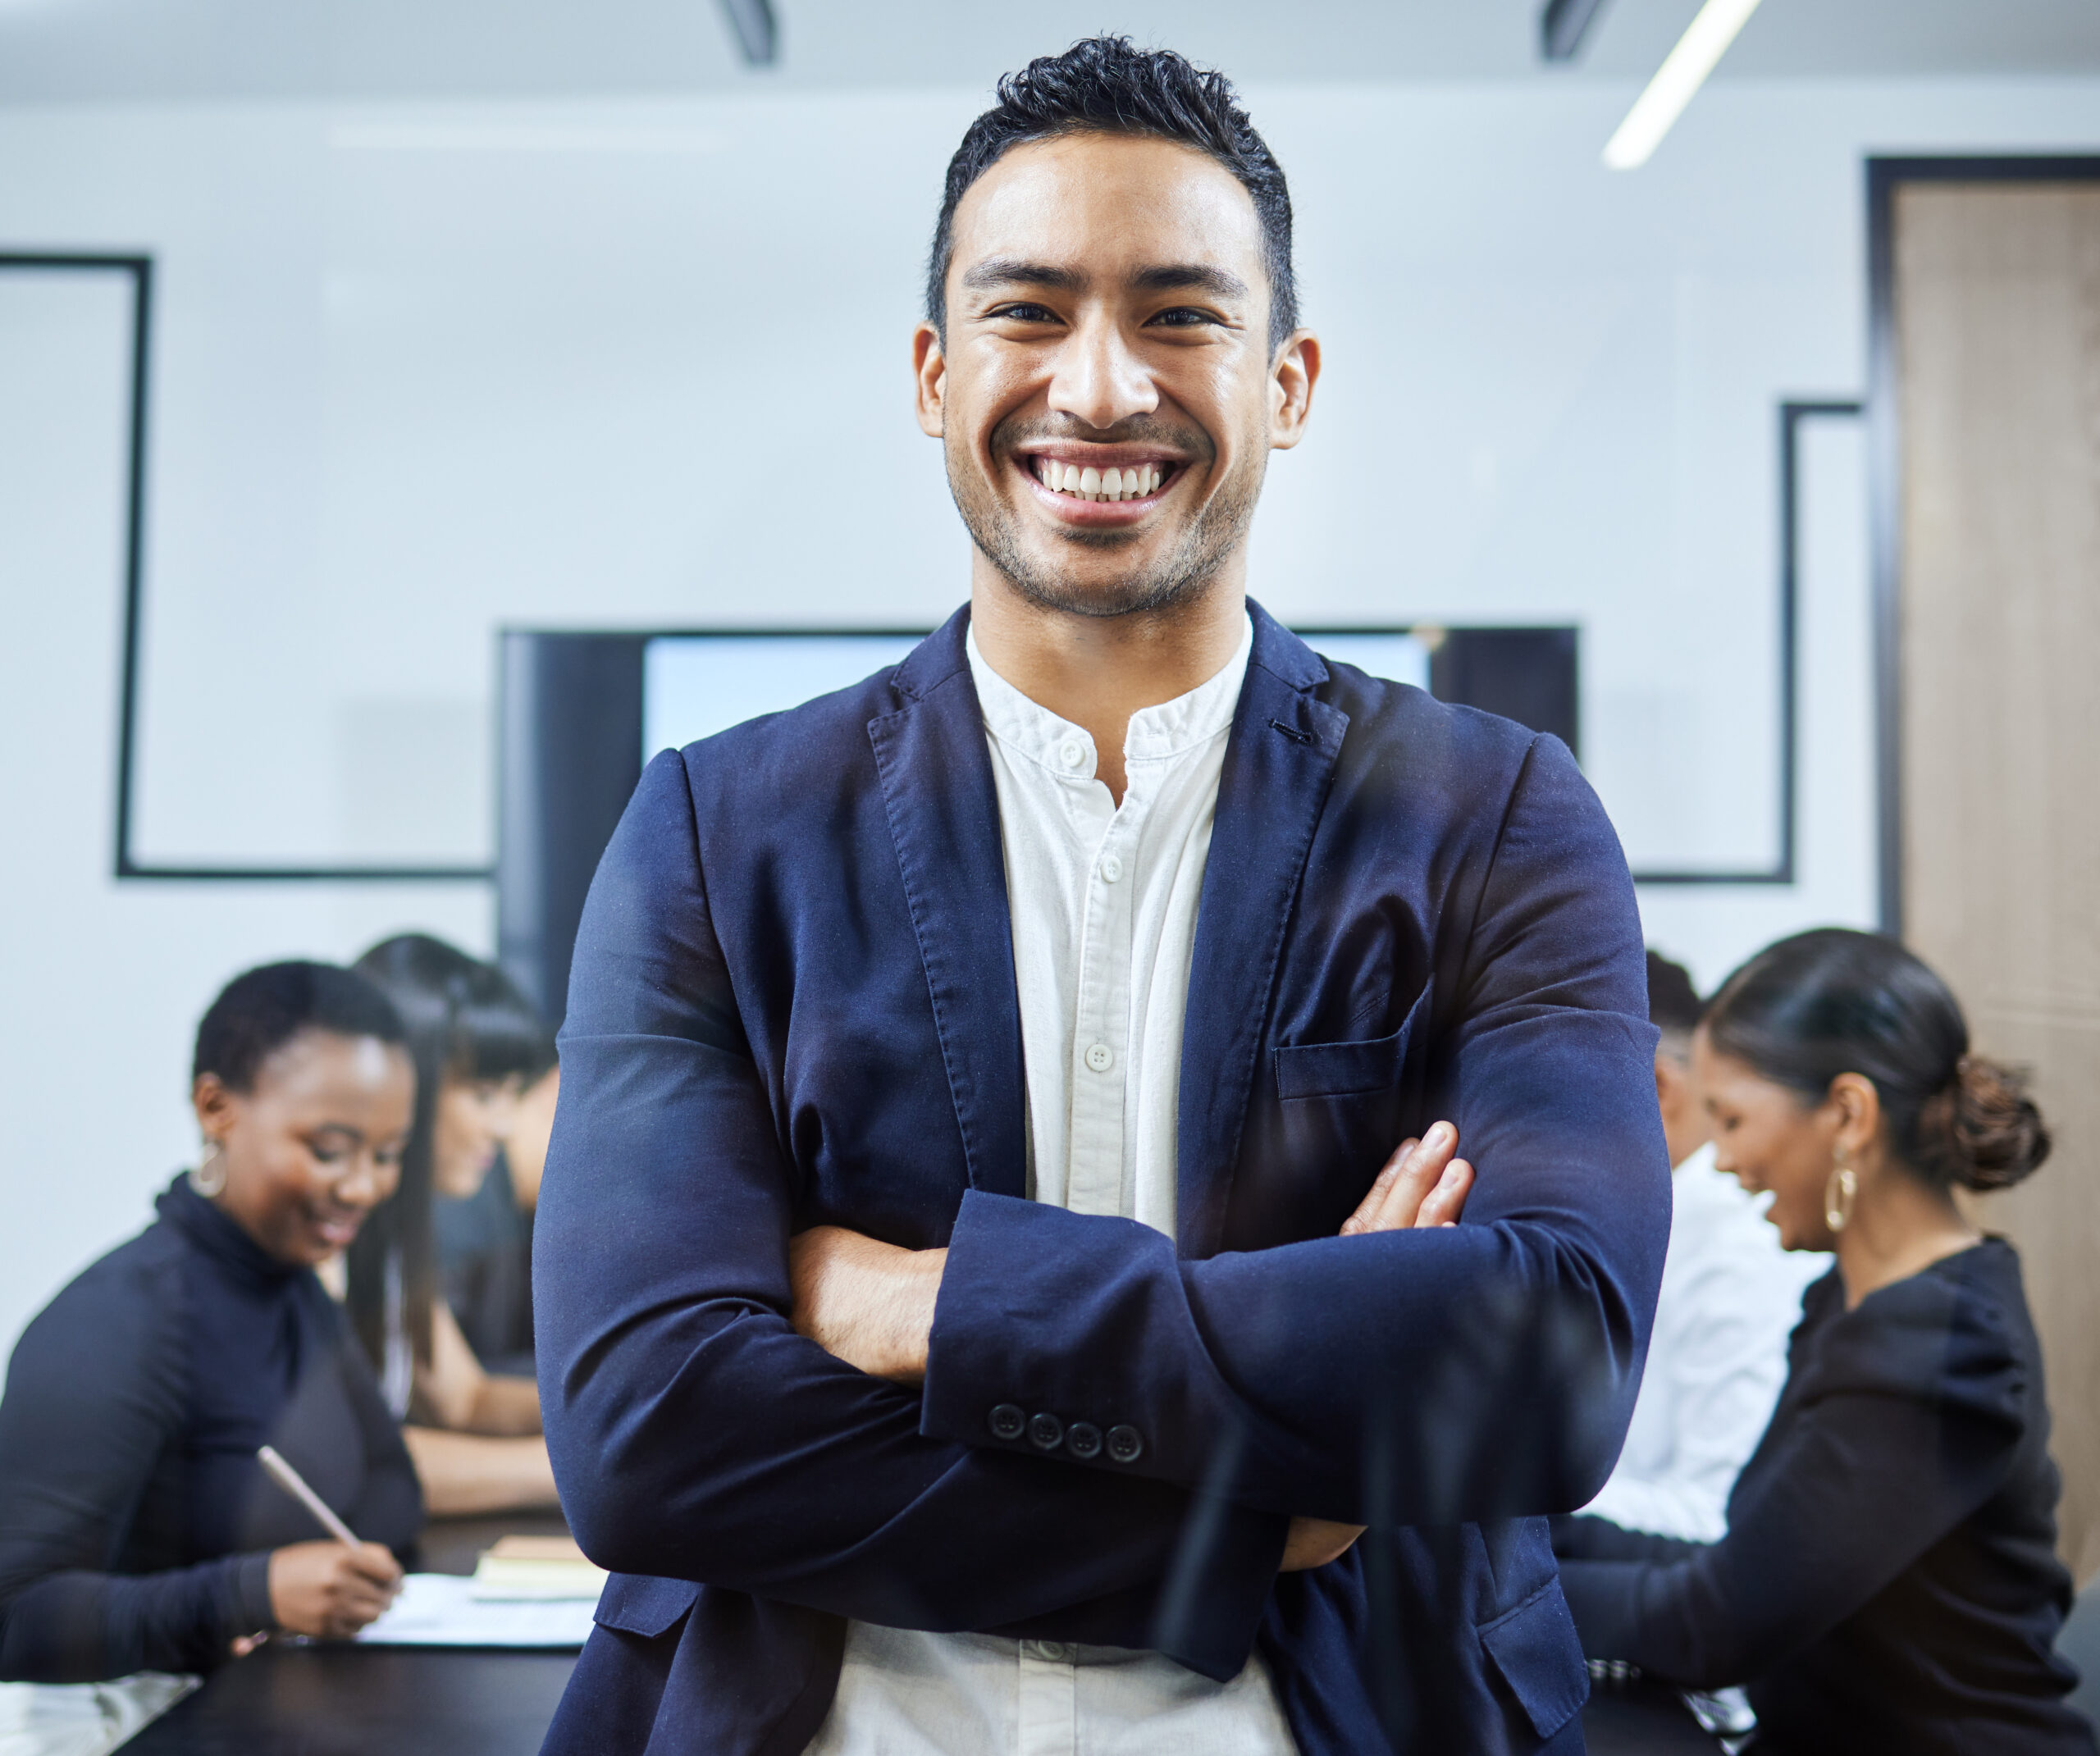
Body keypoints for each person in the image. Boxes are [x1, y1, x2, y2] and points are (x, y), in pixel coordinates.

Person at [536, 37, 1669, 1756]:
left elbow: (1546, 1357)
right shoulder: (717, 825)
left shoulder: (1486, 814)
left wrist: (930, 1303)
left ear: (1285, 382)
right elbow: (649, 1428)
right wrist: (1247, 1506)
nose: (1097, 388)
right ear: (932, 373)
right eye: (1027, 310)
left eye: (1179, 315)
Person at [1557, 928, 2093, 1754]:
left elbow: (1722, 1621)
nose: (1724, 1159)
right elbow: (1743, 1555)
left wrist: (1494, 1584)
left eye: (1733, 1119)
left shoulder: (1943, 1348)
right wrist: (1516, 1525)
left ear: (1847, 1113)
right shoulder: (1849, 1297)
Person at [0, 962, 418, 1681]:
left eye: (386, 1155)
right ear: (216, 1107)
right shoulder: (121, 1320)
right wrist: (248, 1593)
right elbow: (15, 1617)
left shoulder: (291, 1285)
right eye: (328, 1149)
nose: (362, 1186)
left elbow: (393, 1488)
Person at [1572, 951, 1825, 1542]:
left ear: (1658, 1085)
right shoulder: (1643, 1219)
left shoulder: (1744, 1244)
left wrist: (1502, 1496)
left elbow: (1717, 1518)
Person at [348, 934, 559, 1516]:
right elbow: (351, 1465)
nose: (503, 1124)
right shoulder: (324, 1236)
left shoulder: (390, 1231)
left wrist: (632, 1410)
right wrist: (586, 1471)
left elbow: (464, 1398)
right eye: (484, 1094)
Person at [436, 1060, 556, 1376]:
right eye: (485, 1096)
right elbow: (465, 1398)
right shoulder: (461, 1199)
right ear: (556, 1090)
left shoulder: (510, 1206)